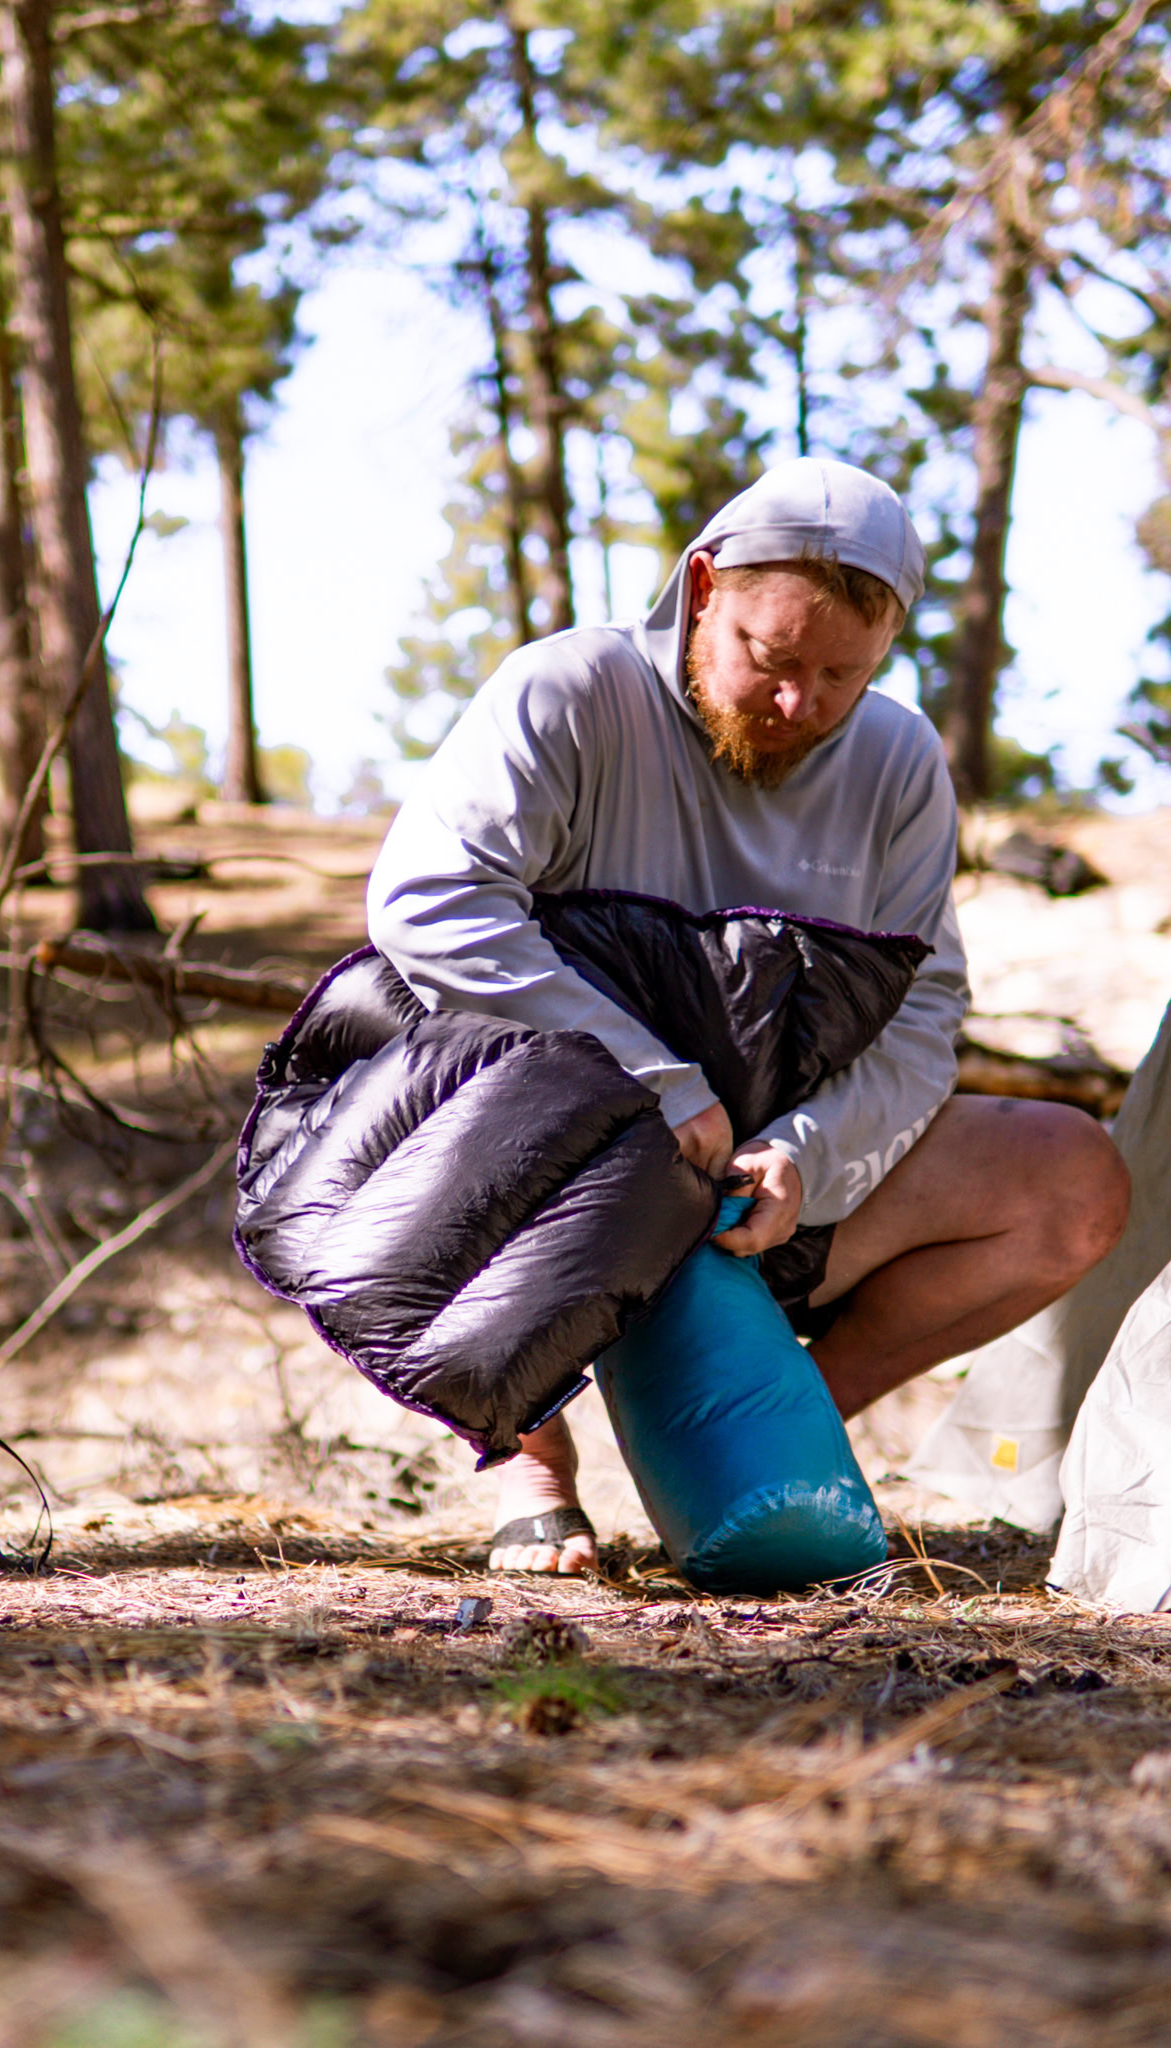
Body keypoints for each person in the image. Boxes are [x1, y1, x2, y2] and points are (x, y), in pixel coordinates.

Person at [367, 458, 1129, 1572]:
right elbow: (427, 903)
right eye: (771, 659)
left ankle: (777, 1427)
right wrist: (653, 1082)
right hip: (565, 1173)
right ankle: (531, 1464)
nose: (799, 705)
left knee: (1072, 1178)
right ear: (704, 585)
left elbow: (923, 1013)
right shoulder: (571, 692)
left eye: (844, 675)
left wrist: (807, 1158)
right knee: (434, 1080)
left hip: (759, 1189)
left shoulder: (899, 760)